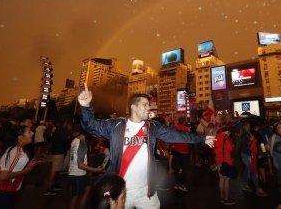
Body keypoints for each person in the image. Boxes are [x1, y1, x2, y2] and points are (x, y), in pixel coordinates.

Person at [78, 84, 216, 209]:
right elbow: (90, 125)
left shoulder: (152, 127)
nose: (149, 108)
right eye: (145, 104)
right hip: (120, 191)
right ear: (133, 107)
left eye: (148, 105)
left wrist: (201, 139)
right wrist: (86, 107)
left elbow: (176, 134)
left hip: (146, 191)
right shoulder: (116, 126)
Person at [0, 126, 41, 209]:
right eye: (29, 132)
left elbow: (14, 167)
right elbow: (3, 176)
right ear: (20, 138)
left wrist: (28, 165)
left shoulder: (18, 149)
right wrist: (26, 171)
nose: (32, 133)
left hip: (7, 192)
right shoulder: (16, 151)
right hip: (3, 192)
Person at [69, 126, 104, 209]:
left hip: (76, 172)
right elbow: (80, 165)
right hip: (78, 174)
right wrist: (96, 170)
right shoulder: (81, 143)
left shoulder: (75, 140)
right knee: (76, 196)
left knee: (87, 188)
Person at [214, 126, 236, 206]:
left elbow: (214, 147)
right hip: (226, 161)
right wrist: (232, 144)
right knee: (226, 180)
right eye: (229, 133)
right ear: (227, 132)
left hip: (219, 161)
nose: (229, 134)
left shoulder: (216, 136)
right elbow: (230, 149)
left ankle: (222, 197)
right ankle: (226, 199)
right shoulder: (226, 138)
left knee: (221, 179)